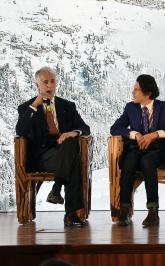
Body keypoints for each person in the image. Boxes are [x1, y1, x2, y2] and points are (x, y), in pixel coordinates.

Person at [110, 74, 165, 226]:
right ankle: (124, 210)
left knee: (147, 161)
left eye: (136, 90)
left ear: (147, 93)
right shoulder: (130, 108)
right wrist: (135, 134)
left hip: (158, 150)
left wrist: (156, 134)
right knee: (128, 161)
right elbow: (115, 128)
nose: (133, 92)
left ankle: (153, 211)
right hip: (136, 148)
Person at [16, 67, 90, 226]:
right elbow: (20, 131)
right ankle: (70, 214)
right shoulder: (26, 108)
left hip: (63, 154)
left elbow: (85, 128)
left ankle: (57, 189)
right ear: (38, 86)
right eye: (45, 82)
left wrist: (73, 133)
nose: (50, 85)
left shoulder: (68, 106)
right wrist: (34, 106)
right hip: (42, 157)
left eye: (52, 81)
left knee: (70, 145)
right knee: (73, 161)